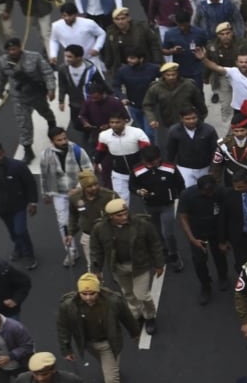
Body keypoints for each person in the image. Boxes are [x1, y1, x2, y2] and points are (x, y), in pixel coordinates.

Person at [56, 273, 141, 383]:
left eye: (92, 293)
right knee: (106, 365)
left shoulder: (113, 301)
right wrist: (66, 349)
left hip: (108, 344)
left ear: (99, 291)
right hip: (88, 344)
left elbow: (127, 318)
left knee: (111, 379)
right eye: (84, 294)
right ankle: (112, 367)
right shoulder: (68, 305)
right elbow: (63, 327)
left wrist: (135, 333)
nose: (88, 298)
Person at [90, 199, 165, 334]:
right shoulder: (100, 229)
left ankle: (149, 316)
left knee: (142, 295)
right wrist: (96, 269)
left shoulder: (141, 224)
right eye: (119, 215)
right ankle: (137, 314)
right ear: (110, 217)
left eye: (125, 213)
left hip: (140, 265)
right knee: (129, 294)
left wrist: (159, 264)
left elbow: (155, 244)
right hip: (118, 267)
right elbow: (96, 250)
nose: (124, 217)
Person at [0, 143, 40, 270]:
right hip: (1, 207)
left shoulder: (18, 166)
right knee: (12, 231)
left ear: (4, 152)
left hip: (19, 205)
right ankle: (18, 246)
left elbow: (30, 184)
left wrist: (33, 203)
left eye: (0, 154)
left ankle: (29, 254)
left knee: (20, 230)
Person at [40, 126, 93, 266]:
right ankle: (71, 252)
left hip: (79, 192)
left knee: (86, 220)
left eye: (64, 138)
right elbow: (44, 175)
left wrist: (80, 187)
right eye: (59, 140)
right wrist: (45, 193)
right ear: (52, 141)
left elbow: (88, 169)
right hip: (59, 193)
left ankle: (92, 248)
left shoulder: (77, 150)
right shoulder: (45, 154)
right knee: (63, 223)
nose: (63, 141)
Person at [131, 145, 186, 273]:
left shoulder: (170, 168)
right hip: (149, 205)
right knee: (155, 231)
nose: (149, 165)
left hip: (166, 205)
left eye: (152, 162)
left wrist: (176, 196)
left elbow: (180, 184)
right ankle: (162, 250)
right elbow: (132, 186)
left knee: (168, 233)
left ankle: (174, 254)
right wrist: (139, 191)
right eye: (147, 163)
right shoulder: (137, 170)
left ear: (158, 159)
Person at [178, 175, 231, 303]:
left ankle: (223, 276)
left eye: (212, 191)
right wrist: (191, 239)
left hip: (216, 230)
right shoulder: (187, 195)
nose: (209, 194)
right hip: (197, 233)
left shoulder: (222, 192)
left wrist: (225, 239)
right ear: (199, 189)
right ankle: (205, 286)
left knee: (220, 255)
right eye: (206, 192)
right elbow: (183, 217)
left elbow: (227, 214)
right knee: (199, 261)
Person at [65, 170, 118, 270]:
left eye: (96, 184)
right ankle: (96, 282)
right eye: (89, 186)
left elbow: (121, 212)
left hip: (108, 233)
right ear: (83, 187)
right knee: (93, 265)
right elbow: (73, 215)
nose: (94, 188)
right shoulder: (75, 198)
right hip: (88, 235)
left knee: (115, 261)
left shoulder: (110, 196)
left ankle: (117, 276)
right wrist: (70, 233)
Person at [95, 112, 151, 202]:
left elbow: (148, 150)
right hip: (119, 174)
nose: (114, 125)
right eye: (112, 122)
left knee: (147, 197)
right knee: (121, 201)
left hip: (139, 172)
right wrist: (96, 162)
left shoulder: (137, 132)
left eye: (117, 122)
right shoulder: (104, 136)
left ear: (124, 122)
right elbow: (101, 151)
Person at [143, 61, 208, 138]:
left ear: (178, 74)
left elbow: (199, 102)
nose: (171, 77)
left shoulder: (188, 85)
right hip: (168, 122)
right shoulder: (155, 88)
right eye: (168, 75)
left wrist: (201, 117)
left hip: (187, 121)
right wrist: (152, 119)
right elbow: (147, 105)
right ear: (163, 75)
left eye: (173, 74)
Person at [164, 106, 219, 187]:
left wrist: (213, 169)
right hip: (185, 169)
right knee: (188, 192)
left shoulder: (209, 130)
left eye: (194, 118)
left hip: (205, 168)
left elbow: (216, 150)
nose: (191, 121)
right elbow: (170, 152)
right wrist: (169, 169)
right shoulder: (174, 131)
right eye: (188, 119)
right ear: (181, 119)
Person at [161, 12, 209, 88]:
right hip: (180, 70)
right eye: (180, 25)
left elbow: (207, 46)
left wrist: (203, 54)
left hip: (197, 69)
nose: (182, 27)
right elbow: (163, 51)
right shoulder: (170, 34)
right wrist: (172, 51)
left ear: (189, 22)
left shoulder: (200, 32)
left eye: (184, 25)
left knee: (198, 92)